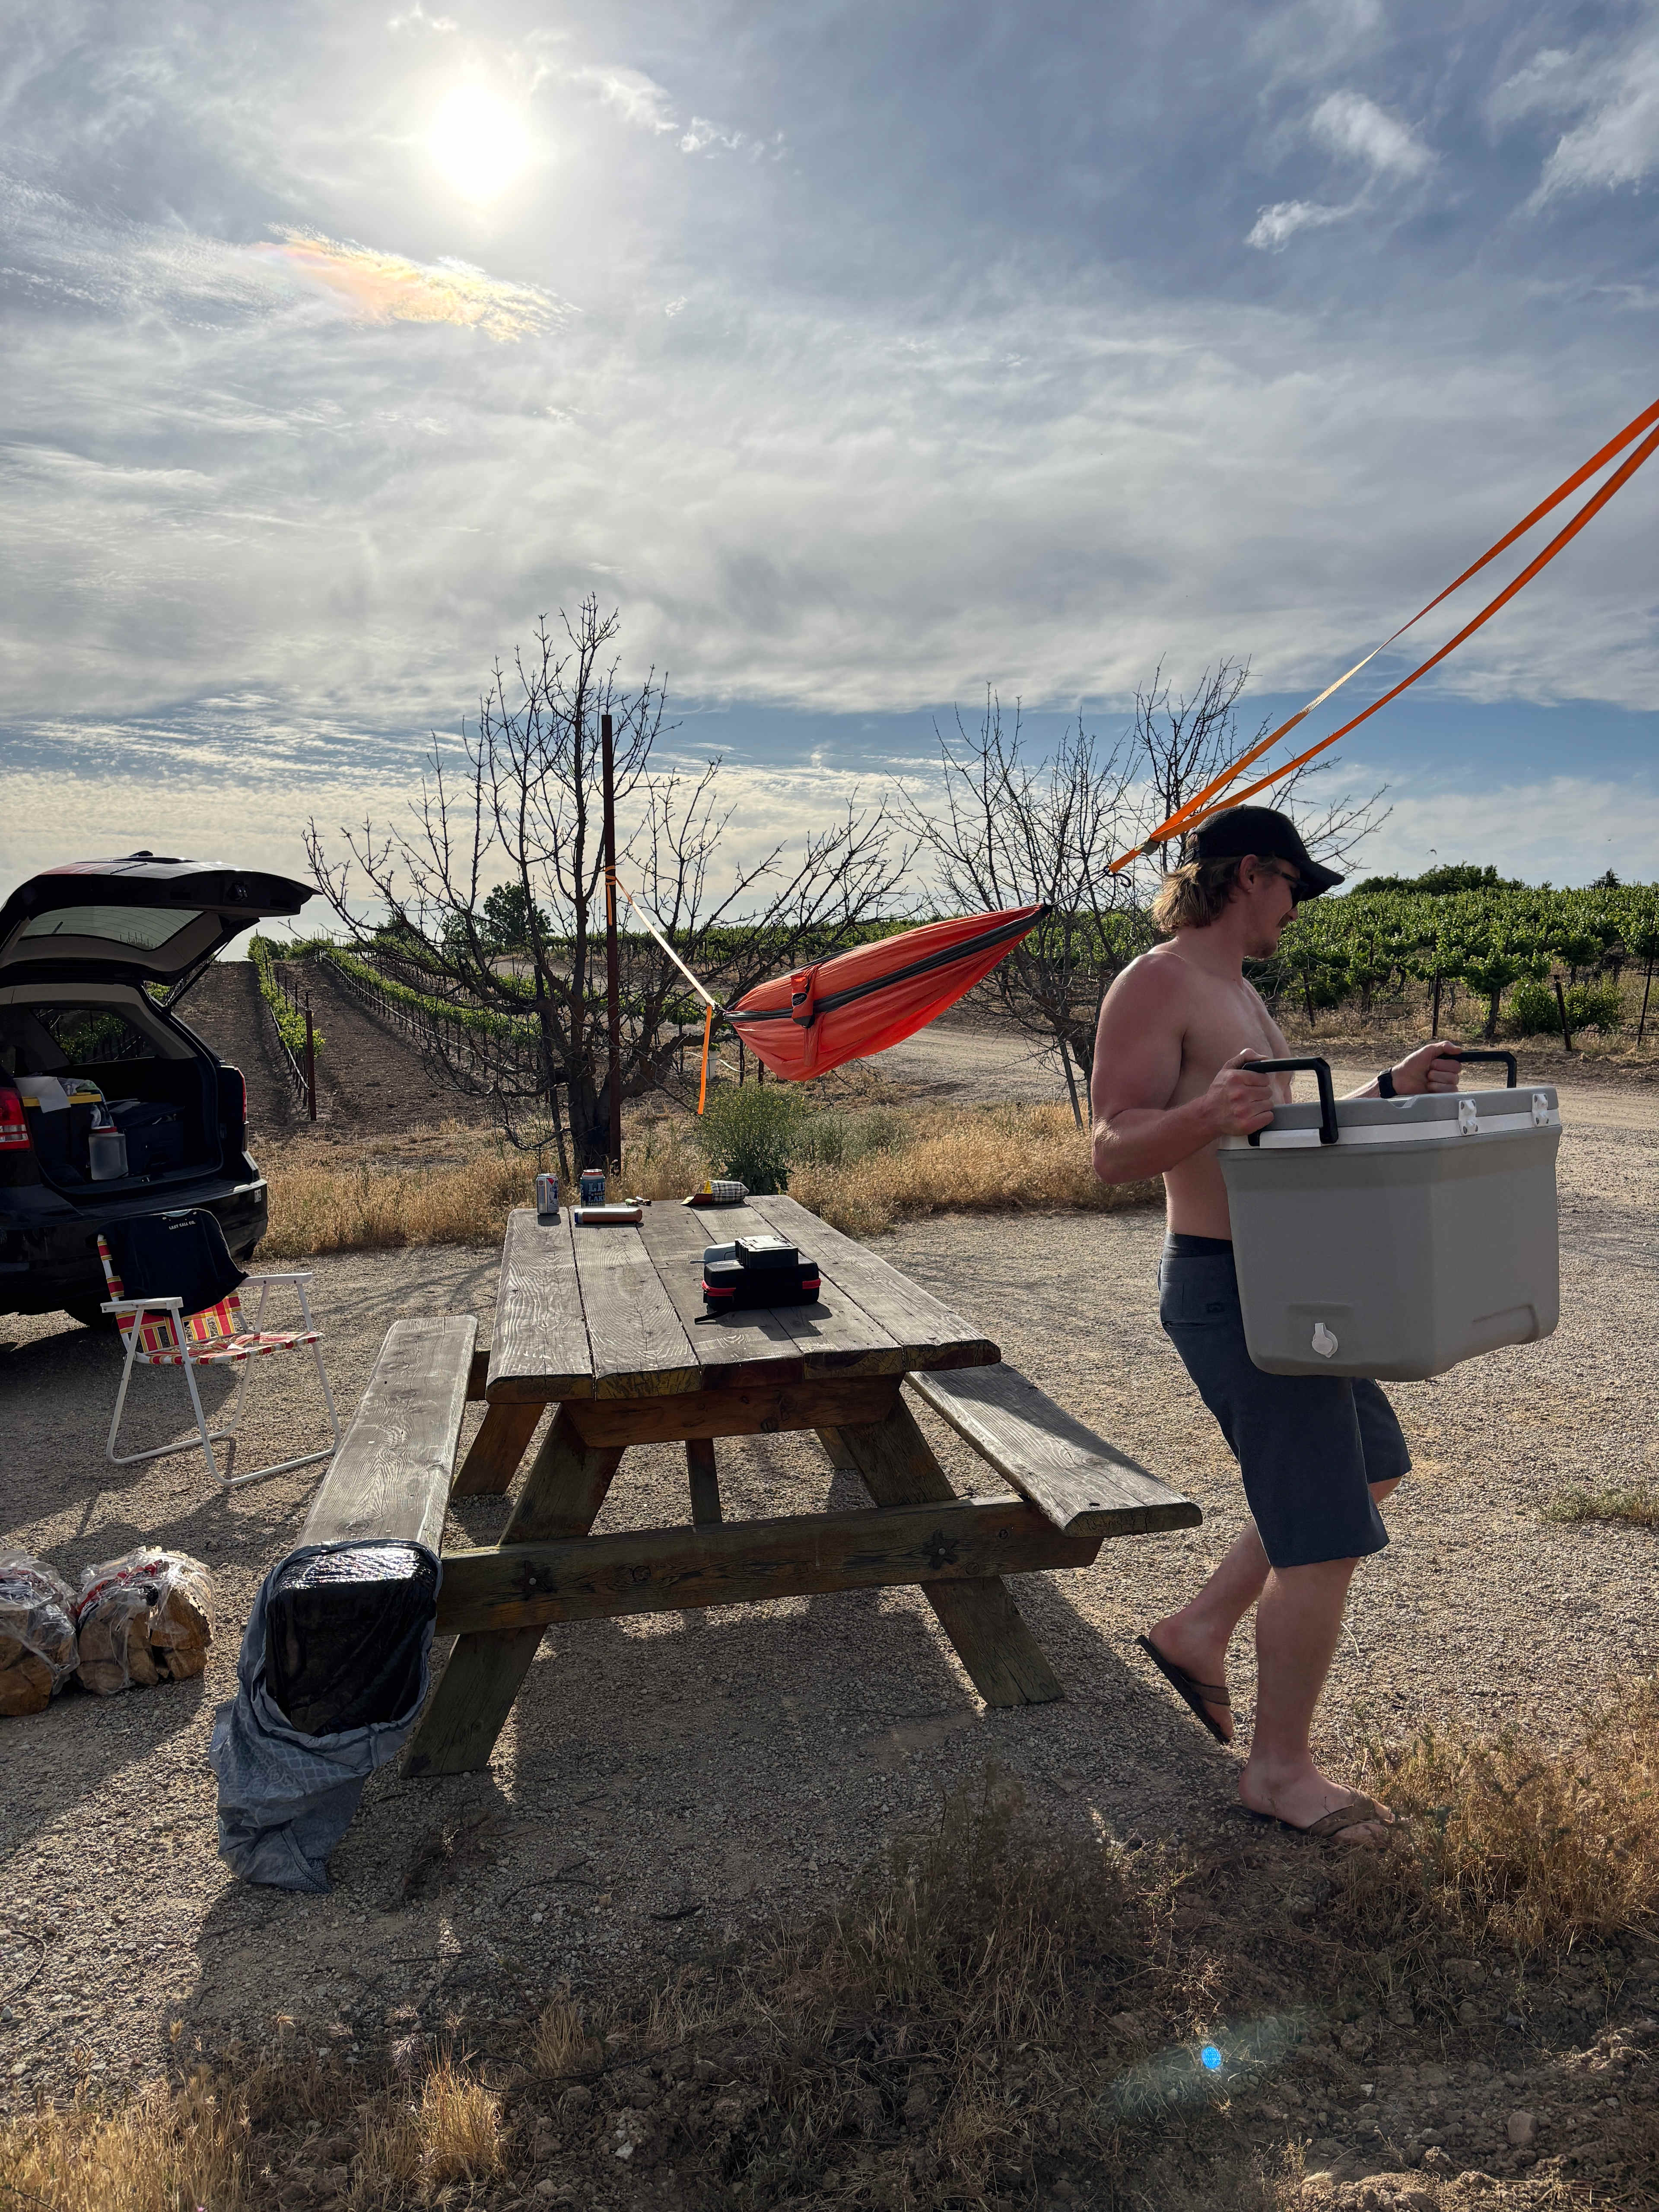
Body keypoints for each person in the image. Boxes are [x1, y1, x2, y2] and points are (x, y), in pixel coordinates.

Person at [1090, 804, 1462, 1844]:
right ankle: (1278, 1774)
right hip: (1229, 1286)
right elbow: (1111, 1148)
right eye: (1296, 887)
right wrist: (1205, 1115)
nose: (1299, 910)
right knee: (1322, 1535)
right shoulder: (1155, 982)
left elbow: (1286, 1126)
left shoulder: (1240, 992)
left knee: (1370, 1463)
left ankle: (1196, 1630)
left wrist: (1389, 1089)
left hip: (1290, 1284)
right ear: (1250, 873)